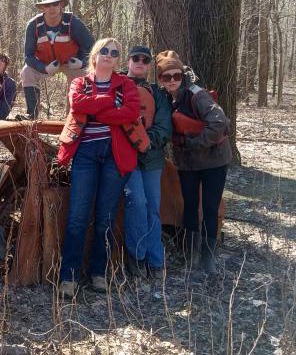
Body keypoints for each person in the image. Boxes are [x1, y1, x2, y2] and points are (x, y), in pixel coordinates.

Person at [56, 38, 140, 298]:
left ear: (117, 60)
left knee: (106, 217)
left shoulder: (126, 84)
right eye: (104, 50)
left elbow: (131, 112)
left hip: (115, 155)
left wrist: (98, 110)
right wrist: (109, 103)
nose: (109, 55)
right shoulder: (79, 83)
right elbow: (78, 106)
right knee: (78, 216)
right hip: (85, 155)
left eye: (114, 53)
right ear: (94, 55)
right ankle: (68, 277)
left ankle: (98, 273)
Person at [156, 50, 231, 274]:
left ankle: (208, 258)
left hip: (213, 161)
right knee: (188, 206)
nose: (171, 81)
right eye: (166, 76)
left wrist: (195, 142)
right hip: (187, 163)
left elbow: (220, 123)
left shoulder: (197, 95)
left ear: (183, 75)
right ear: (159, 78)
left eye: (176, 75)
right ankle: (190, 254)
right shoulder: (164, 99)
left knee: (209, 207)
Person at [121, 46, 172, 278]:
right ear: (128, 61)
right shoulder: (117, 85)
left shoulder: (158, 92)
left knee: (153, 207)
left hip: (151, 159)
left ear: (149, 64)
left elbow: (164, 127)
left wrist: (145, 140)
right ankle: (137, 257)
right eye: (136, 58)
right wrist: (130, 141)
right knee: (137, 203)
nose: (140, 62)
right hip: (125, 157)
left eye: (145, 60)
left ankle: (156, 259)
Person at [22, 0, 94, 119]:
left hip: (71, 64)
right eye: (47, 5)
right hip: (45, 64)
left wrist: (81, 62)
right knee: (27, 72)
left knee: (85, 75)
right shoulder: (33, 25)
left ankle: (74, 118)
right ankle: (31, 116)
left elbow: (90, 46)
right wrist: (43, 68)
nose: (52, 8)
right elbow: (28, 55)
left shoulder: (73, 22)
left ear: (61, 5)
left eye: (55, 4)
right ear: (42, 8)